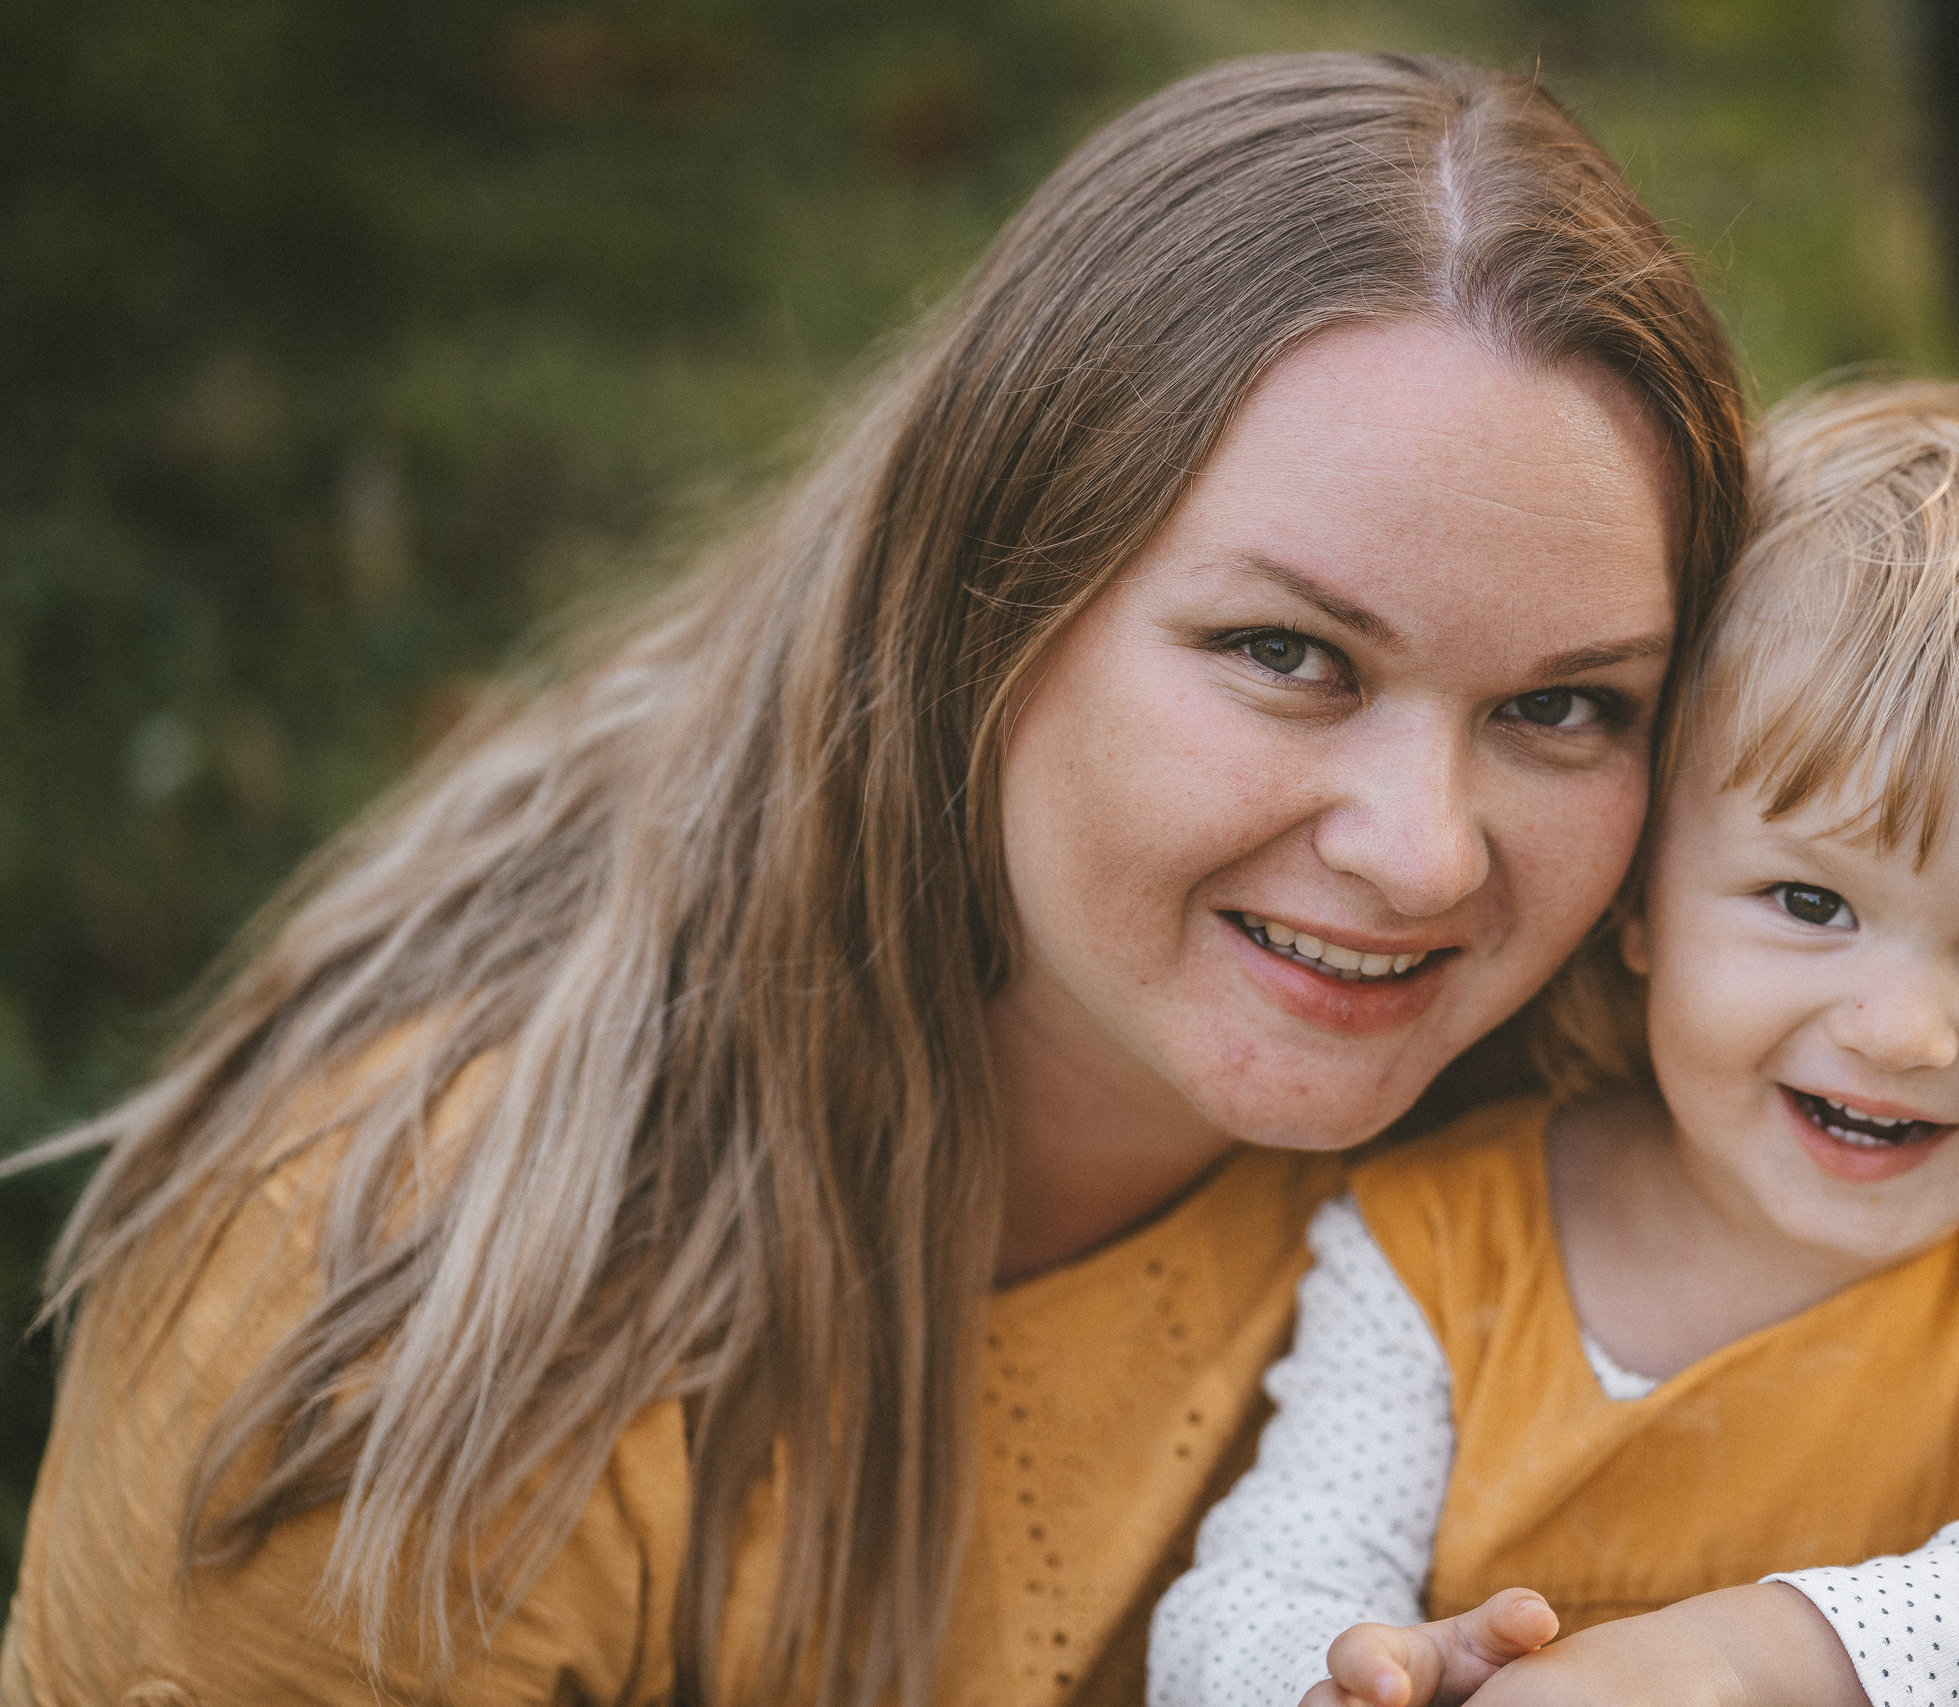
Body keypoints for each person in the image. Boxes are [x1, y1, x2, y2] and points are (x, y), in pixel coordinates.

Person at [0, 53, 1750, 1707]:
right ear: (986, 595)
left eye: (1564, 707)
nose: (1427, 850)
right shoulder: (426, 1322)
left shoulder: (1667, 1123)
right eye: (1290, 655)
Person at [1150, 380, 1959, 1707]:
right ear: (1639, 893)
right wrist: (1339, 1679)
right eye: (1811, 905)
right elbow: (1255, 1590)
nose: (1895, 1032)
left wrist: (1731, 1661)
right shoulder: (1431, 1253)